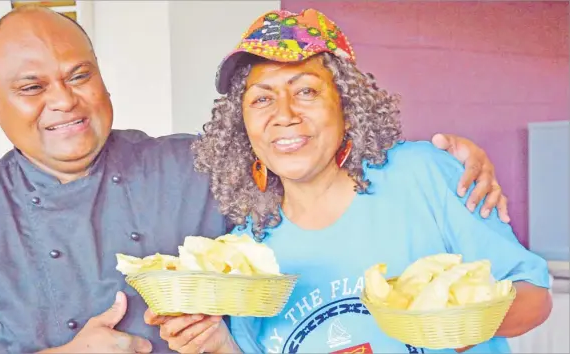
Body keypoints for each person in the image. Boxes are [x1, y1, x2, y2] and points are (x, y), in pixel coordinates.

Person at [0, 6, 513, 354]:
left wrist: (443, 161)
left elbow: (311, 156)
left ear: (102, 79)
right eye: (31, 87)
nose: (64, 101)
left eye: (78, 75)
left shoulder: (195, 166)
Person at [145, 8, 552, 354]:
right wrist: (215, 342)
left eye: (306, 91)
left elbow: (534, 299)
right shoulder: (248, 251)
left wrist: (458, 325)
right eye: (262, 99)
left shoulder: (423, 175)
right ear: (242, 125)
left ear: (348, 106)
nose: (284, 114)